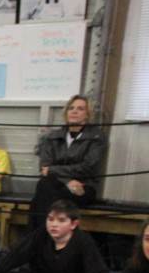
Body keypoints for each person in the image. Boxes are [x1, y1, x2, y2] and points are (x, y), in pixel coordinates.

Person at [30, 95, 106, 230]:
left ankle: (39, 236)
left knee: (44, 195)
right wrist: (67, 181)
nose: (74, 111)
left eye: (80, 109)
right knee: (45, 186)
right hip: (59, 184)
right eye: (71, 108)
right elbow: (44, 167)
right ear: (66, 113)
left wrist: (54, 170)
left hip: (83, 186)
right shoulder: (52, 136)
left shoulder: (96, 137)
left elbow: (88, 167)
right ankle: (46, 235)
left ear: (87, 115)